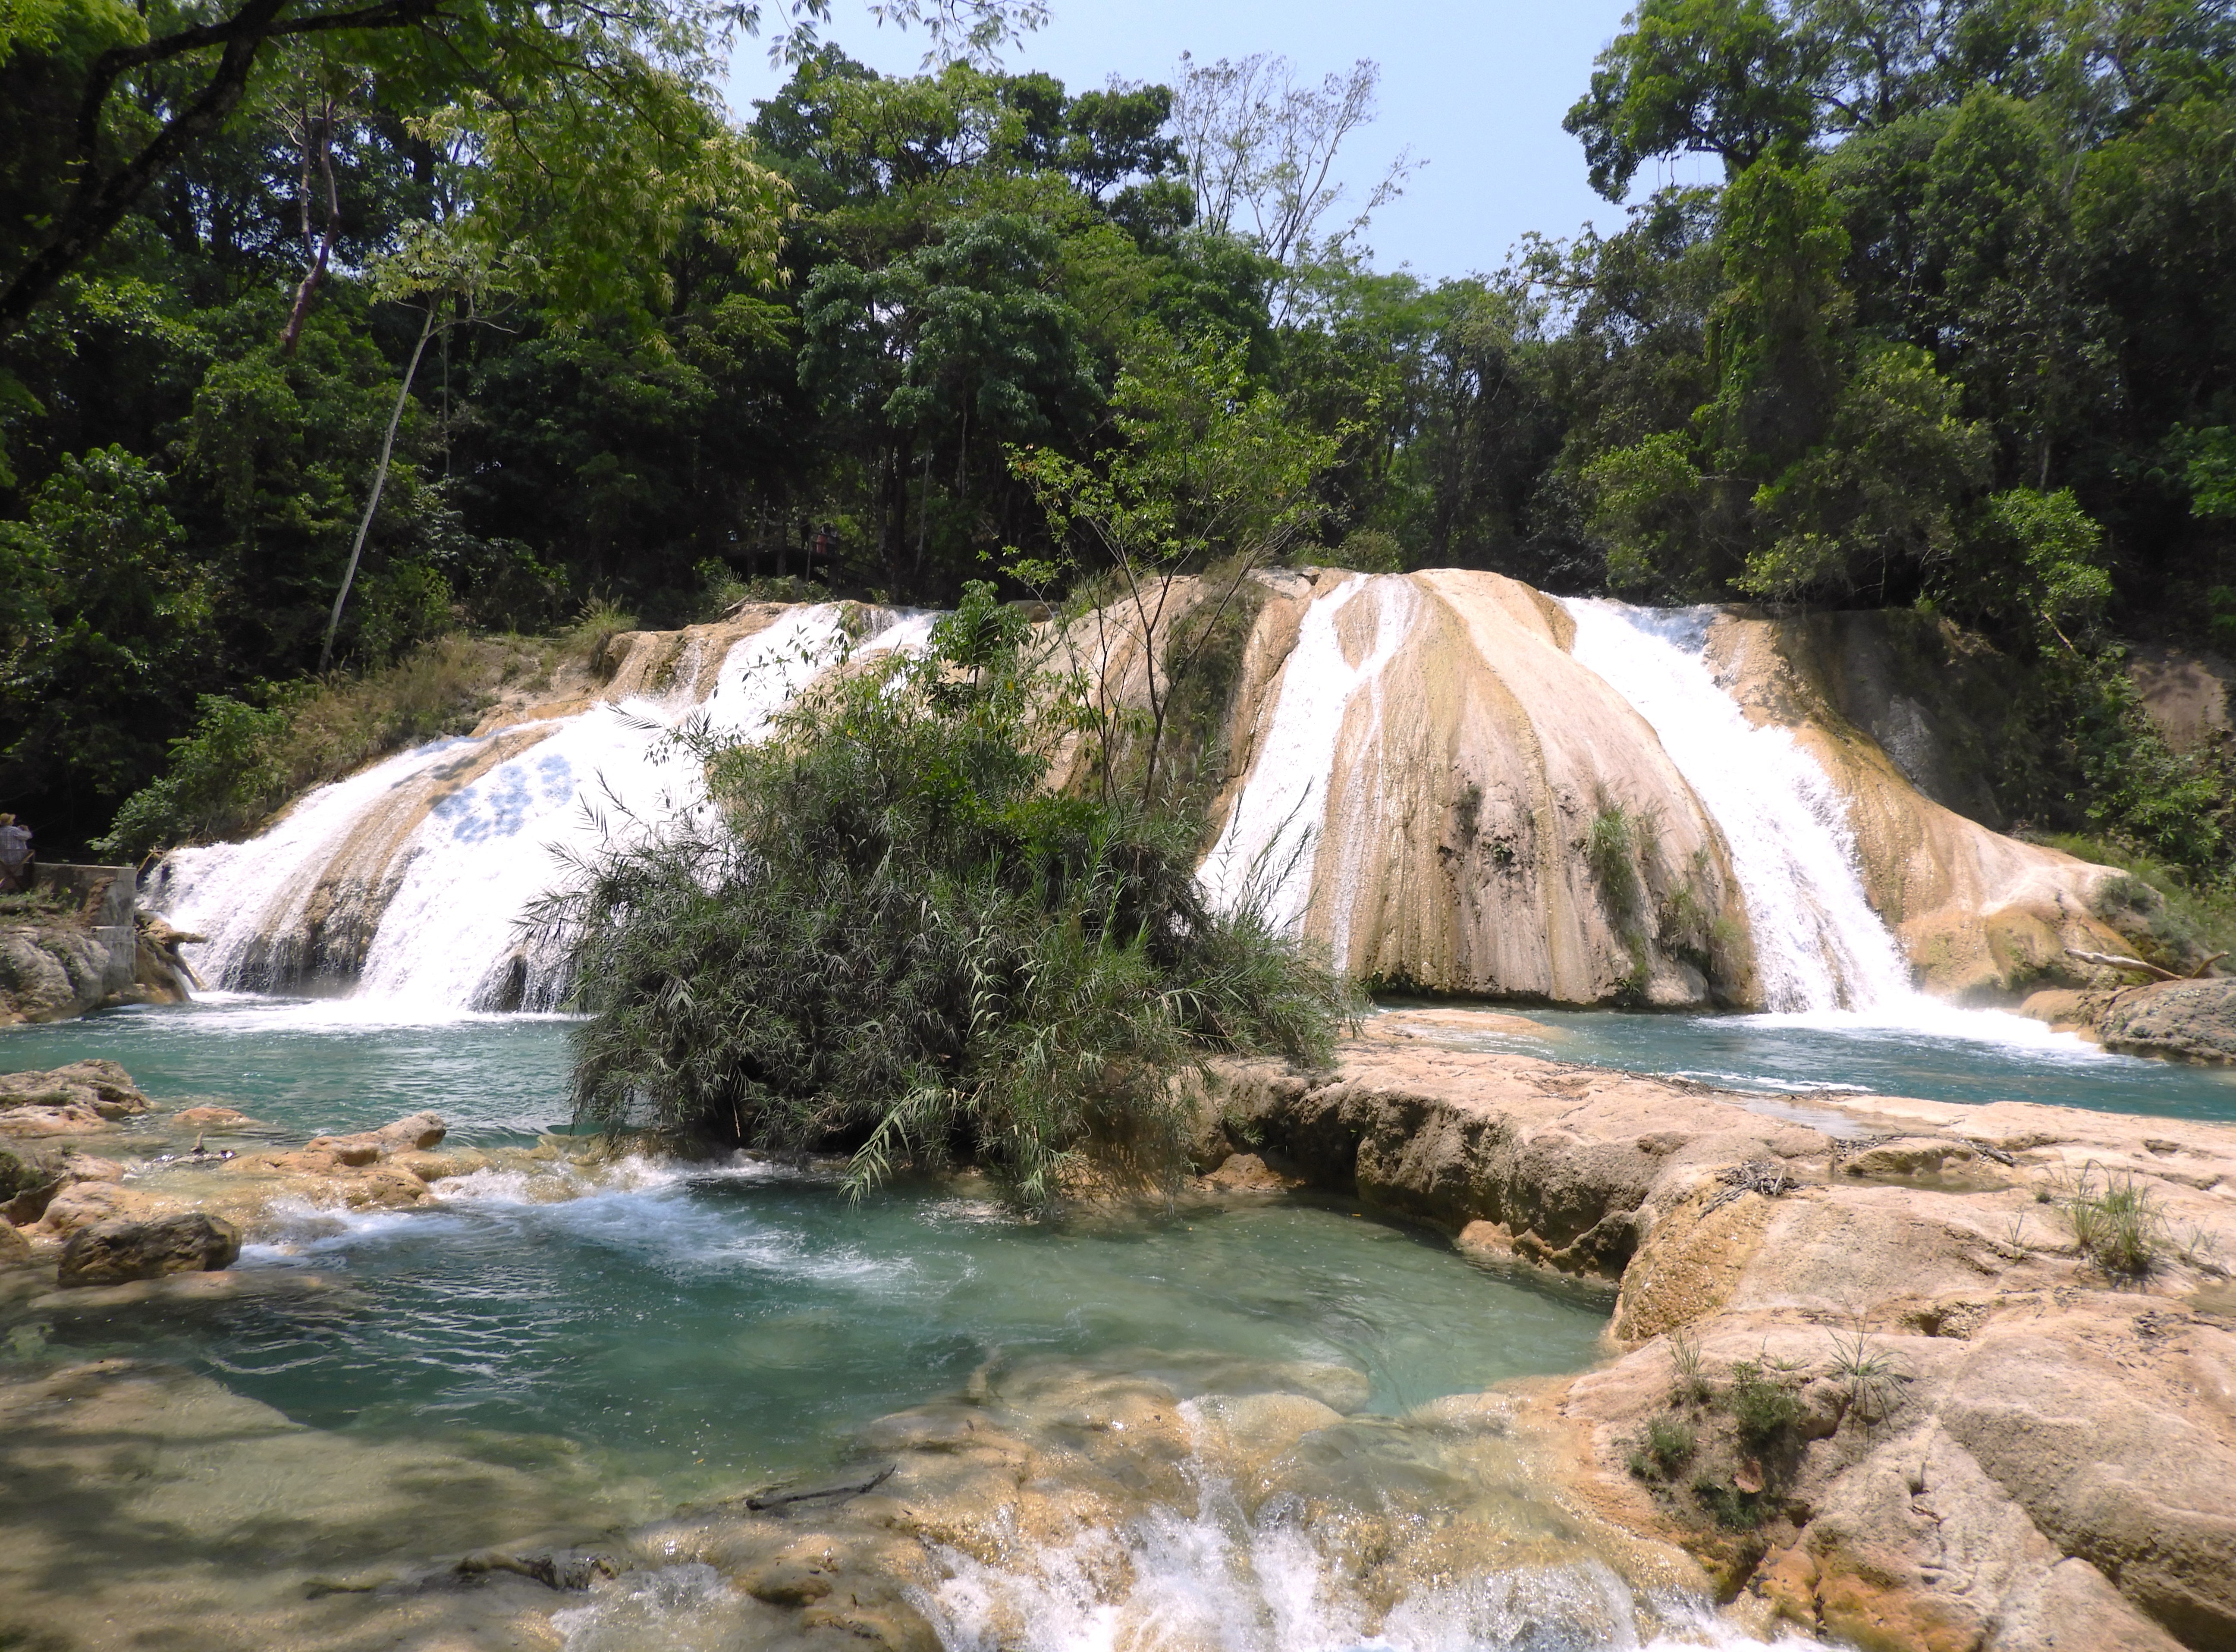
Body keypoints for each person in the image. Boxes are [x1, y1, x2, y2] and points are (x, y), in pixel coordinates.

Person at [0, 814, 31, 894]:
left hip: (2, 860)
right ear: (10, 822)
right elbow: (28, 836)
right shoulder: (14, 830)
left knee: (4, 875)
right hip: (17, 859)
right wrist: (26, 830)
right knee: (14, 875)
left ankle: (4, 892)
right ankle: (10, 892)